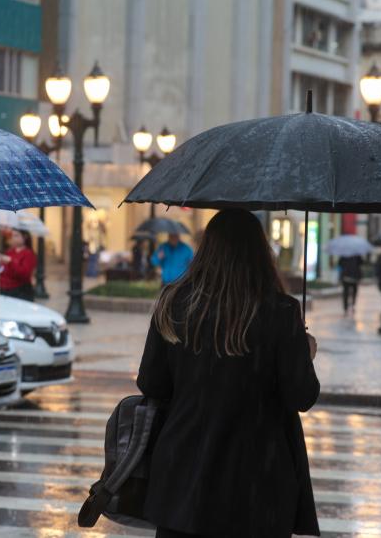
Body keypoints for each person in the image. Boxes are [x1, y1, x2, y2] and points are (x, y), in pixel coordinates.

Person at [137, 209, 321, 538]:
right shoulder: (280, 312)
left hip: (184, 476)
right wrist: (303, 354)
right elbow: (301, 396)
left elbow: (152, 383)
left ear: (206, 248)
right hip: (255, 481)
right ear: (260, 252)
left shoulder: (174, 304)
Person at [0, 229, 37, 301]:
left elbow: (25, 273)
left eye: (16, 235)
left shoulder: (29, 254)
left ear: (25, 237)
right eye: (12, 235)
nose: (13, 238)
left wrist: (10, 261)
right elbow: (3, 271)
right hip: (4, 290)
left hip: (20, 292)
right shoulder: (9, 252)